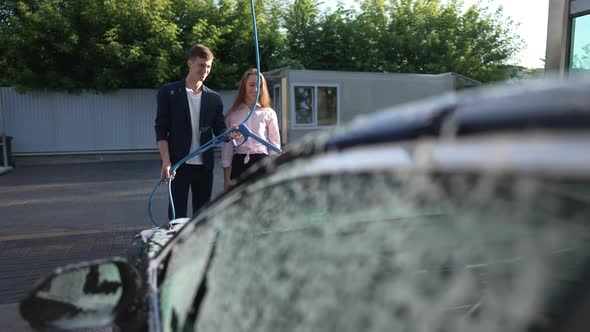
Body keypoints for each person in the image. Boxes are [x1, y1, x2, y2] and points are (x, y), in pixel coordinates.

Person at [155, 44, 231, 219]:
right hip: (179, 165)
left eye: (209, 66)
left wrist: (230, 134)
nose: (205, 70)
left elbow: (220, 130)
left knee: (202, 216)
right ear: (190, 63)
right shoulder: (169, 92)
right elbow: (161, 129)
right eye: (201, 65)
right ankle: (177, 246)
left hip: (205, 167)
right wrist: (166, 161)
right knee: (176, 216)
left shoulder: (214, 98)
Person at [222, 68, 281, 190]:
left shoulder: (268, 113)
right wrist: (226, 178)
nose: (255, 89)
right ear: (244, 86)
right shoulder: (232, 114)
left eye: (259, 86)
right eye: (251, 85)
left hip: (262, 162)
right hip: (239, 164)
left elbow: (274, 146)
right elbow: (226, 150)